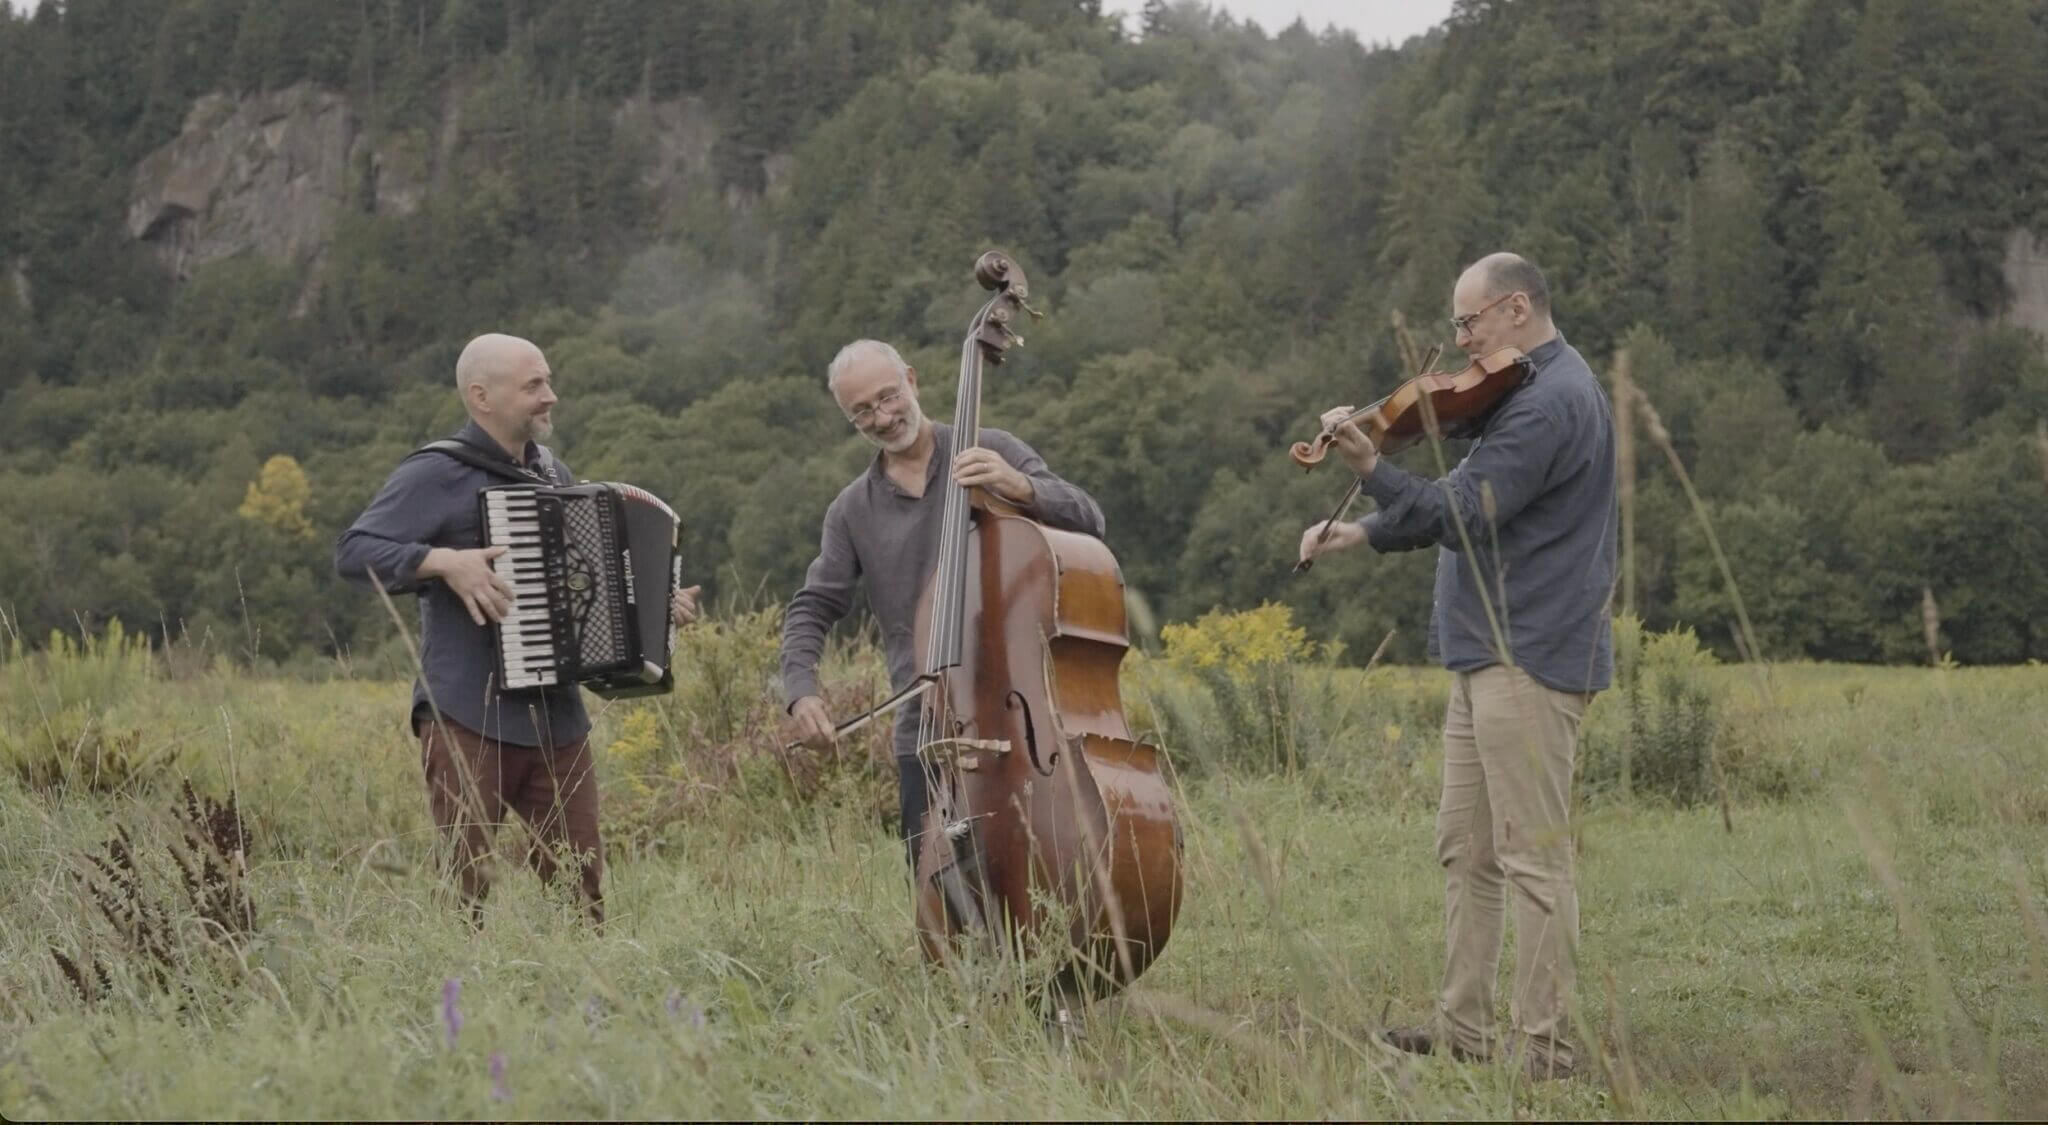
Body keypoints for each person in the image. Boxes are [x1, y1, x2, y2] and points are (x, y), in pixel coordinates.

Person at [1297, 253, 1616, 1081]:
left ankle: (1543, 1045)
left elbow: (1455, 511)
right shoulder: (1517, 390)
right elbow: (1457, 500)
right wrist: (1362, 531)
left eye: (1467, 322)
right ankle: (1466, 1025)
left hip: (1530, 652)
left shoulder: (1551, 402)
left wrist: (1370, 468)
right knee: (1466, 847)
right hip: (1485, 648)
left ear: (1516, 310)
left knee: (1531, 856)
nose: (1459, 344)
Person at [335, 332, 701, 928]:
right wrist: (442, 562)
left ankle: (583, 1007)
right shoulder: (436, 472)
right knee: (466, 890)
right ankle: (462, 1005)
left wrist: (655, 609)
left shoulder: (555, 474)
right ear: (482, 396)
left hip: (556, 720)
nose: (550, 396)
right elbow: (353, 551)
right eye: (534, 386)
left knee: (582, 890)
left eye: (548, 382)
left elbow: (591, 590)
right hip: (466, 716)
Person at [779, 339, 1106, 864]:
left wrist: (1020, 486)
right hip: (928, 730)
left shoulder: (990, 448)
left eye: (888, 396)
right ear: (849, 417)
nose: (882, 417)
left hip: (1026, 717)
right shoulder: (851, 511)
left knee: (1058, 874)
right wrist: (801, 691)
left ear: (911, 379)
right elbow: (812, 606)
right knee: (942, 905)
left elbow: (1090, 519)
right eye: (862, 411)